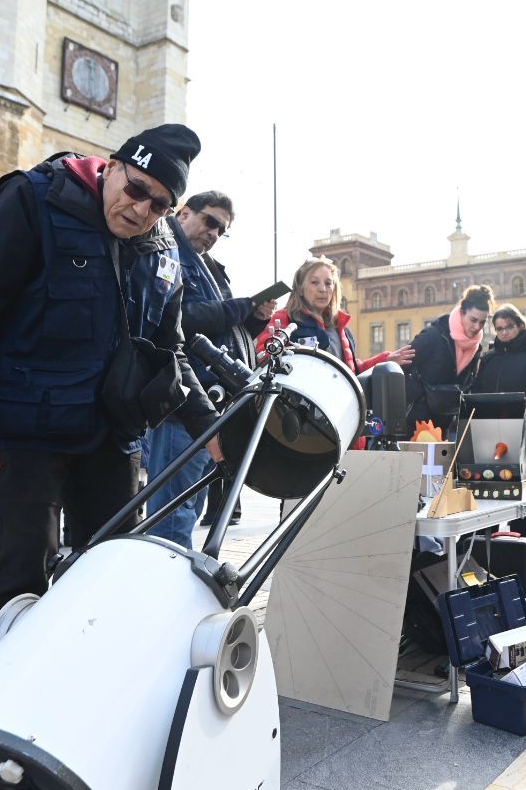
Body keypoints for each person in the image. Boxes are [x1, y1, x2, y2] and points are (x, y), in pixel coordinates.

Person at [0, 124, 220, 682]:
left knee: (109, 572)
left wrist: (211, 426)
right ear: (111, 167)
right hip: (28, 427)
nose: (141, 210)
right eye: (135, 190)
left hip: (111, 435)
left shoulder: (163, 246)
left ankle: (77, 695)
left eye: (160, 205)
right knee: (20, 571)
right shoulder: (37, 199)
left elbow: (170, 350)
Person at [143, 190, 273, 548]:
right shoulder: (166, 250)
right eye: (210, 221)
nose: (214, 233)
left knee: (185, 510)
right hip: (182, 403)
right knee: (173, 515)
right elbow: (184, 319)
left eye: (221, 230)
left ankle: (172, 576)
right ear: (184, 213)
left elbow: (223, 332)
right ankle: (164, 579)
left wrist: (255, 319)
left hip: (206, 404)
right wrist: (244, 306)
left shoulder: (207, 265)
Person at [257, 257, 413, 377]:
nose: (322, 289)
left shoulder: (341, 328)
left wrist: (385, 360)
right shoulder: (284, 318)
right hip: (296, 406)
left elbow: (352, 373)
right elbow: (263, 359)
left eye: (328, 283)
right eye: (314, 282)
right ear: (301, 288)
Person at [471, 304, 526, 484]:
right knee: (495, 482)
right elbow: (478, 391)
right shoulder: (489, 358)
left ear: (520, 326)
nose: (504, 332)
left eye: (508, 327)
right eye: (499, 328)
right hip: (492, 431)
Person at [405, 284, 492, 433]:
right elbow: (400, 366)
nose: (477, 327)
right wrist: (419, 396)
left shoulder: (476, 347)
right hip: (415, 424)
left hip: (446, 425)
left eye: (482, 322)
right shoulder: (432, 336)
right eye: (473, 320)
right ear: (462, 313)